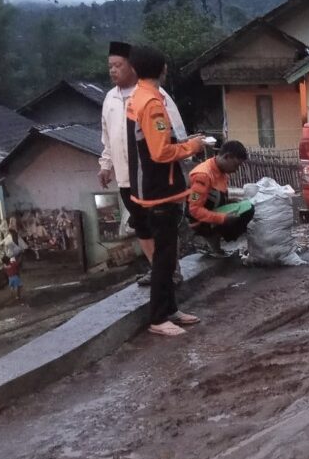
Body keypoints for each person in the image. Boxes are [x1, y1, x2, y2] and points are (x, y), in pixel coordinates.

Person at [126, 45, 205, 337]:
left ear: (134, 70)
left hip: (153, 186)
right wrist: (193, 147)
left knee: (168, 254)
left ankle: (171, 309)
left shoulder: (139, 98)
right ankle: (158, 318)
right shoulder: (151, 103)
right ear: (162, 69)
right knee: (163, 258)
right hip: (161, 189)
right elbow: (160, 152)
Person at [98, 41, 188, 286]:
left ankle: (171, 270)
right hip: (126, 178)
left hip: (151, 176)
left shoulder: (156, 97)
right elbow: (107, 137)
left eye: (118, 65)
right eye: (110, 66)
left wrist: (186, 155)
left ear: (134, 68)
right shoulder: (109, 99)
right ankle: (157, 268)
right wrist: (106, 165)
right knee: (141, 226)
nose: (112, 71)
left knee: (162, 226)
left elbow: (177, 133)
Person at [187, 140, 253, 255]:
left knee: (247, 207)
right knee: (243, 215)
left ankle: (215, 243)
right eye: (236, 165)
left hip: (212, 212)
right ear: (227, 156)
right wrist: (223, 218)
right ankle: (211, 238)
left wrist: (230, 201)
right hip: (199, 221)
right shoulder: (202, 176)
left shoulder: (221, 172)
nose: (236, 170)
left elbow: (220, 195)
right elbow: (194, 210)